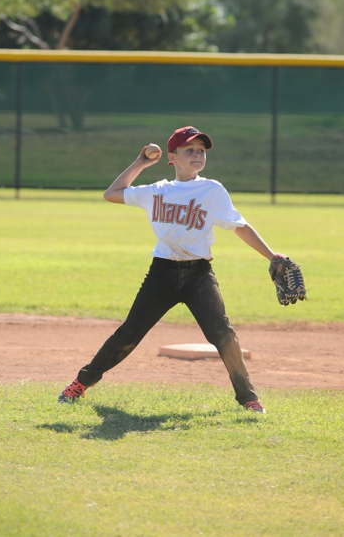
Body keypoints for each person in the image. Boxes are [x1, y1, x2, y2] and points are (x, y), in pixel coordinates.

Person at [59, 125, 278, 413]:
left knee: (223, 333)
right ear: (172, 157)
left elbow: (240, 227)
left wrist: (272, 256)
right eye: (189, 150)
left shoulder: (212, 190)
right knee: (129, 333)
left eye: (201, 151)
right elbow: (112, 193)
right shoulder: (157, 191)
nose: (197, 155)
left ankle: (248, 397)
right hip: (161, 273)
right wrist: (141, 162)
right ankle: (81, 383)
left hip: (198, 274)